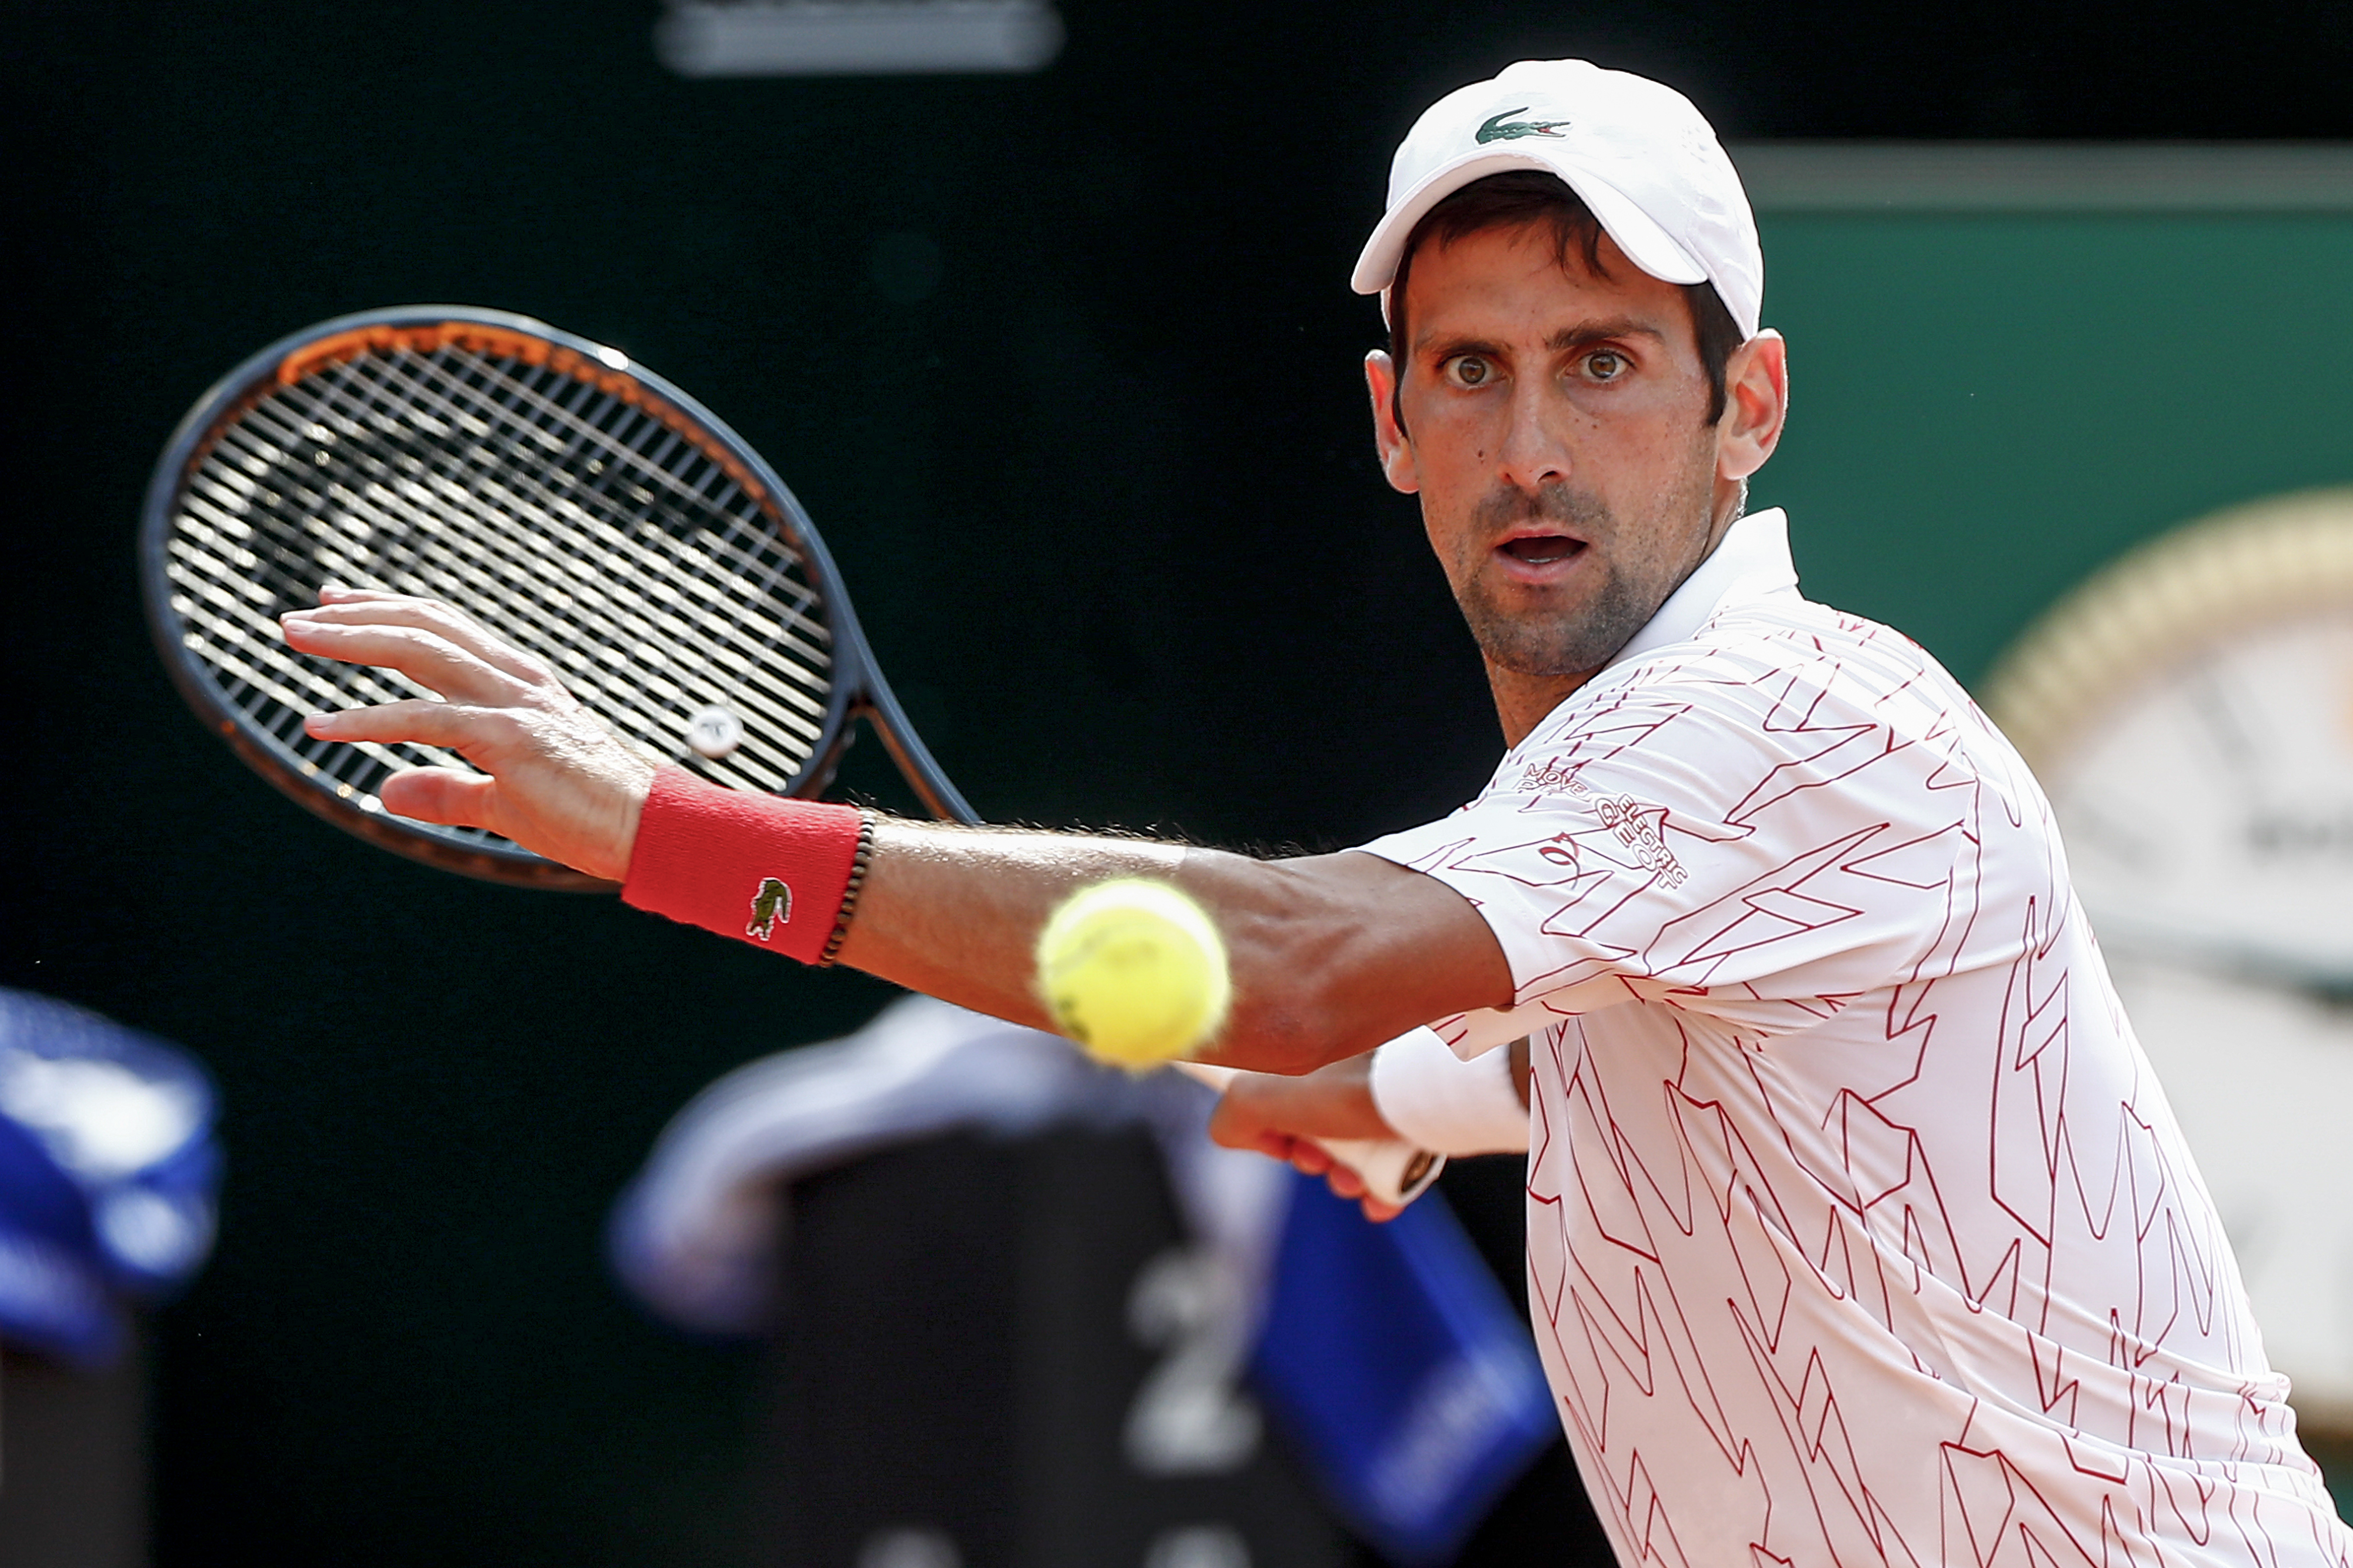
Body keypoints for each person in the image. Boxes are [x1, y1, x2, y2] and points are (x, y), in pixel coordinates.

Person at [278, 58, 2352, 1568]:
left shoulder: (1793, 716)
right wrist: (1405, 1092)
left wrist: (665, 828)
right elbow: (1606, 1059)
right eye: (1472, 370)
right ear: (1391, 421)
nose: (1533, 444)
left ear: (1750, 408)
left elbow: (1284, 968)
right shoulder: (1625, 835)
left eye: (1610, 361)